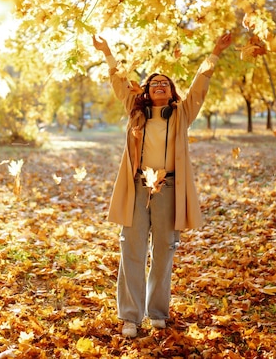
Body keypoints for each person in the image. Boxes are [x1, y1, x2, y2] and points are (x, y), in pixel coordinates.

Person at [92, 32, 233, 338]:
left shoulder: (181, 114)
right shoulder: (136, 110)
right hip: (138, 187)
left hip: (168, 189)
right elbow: (119, 81)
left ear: (171, 94)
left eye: (165, 84)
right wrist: (107, 52)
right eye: (154, 82)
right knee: (132, 247)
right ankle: (131, 316)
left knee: (164, 251)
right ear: (146, 90)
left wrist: (215, 52)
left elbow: (199, 88)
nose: (159, 85)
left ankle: (157, 312)